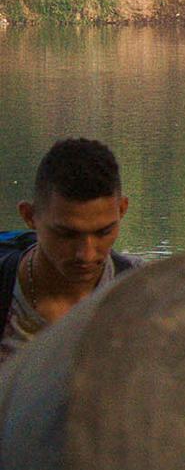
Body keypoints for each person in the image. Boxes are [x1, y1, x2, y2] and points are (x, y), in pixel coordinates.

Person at [2, 139, 141, 365]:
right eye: (66, 235)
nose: (86, 254)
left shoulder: (146, 293)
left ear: (122, 209)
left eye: (103, 232)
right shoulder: (7, 290)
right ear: (30, 216)